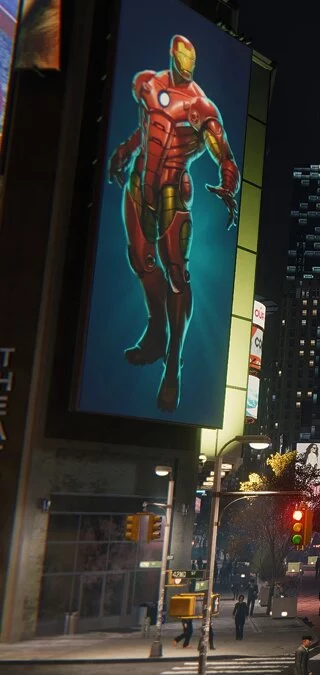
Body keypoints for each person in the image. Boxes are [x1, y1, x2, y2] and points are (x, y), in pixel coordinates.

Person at [105, 34, 241, 413]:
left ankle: (173, 364)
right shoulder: (148, 82)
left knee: (177, 273)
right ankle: (155, 333)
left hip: (172, 193)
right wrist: (125, 151)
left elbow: (224, 153)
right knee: (141, 261)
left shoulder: (201, 106)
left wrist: (228, 184)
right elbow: (146, 130)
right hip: (138, 184)